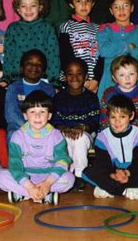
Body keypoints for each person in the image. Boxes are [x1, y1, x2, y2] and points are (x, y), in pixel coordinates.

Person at [0, 90, 74, 204]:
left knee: (69, 179)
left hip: (48, 176)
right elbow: (14, 163)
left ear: (49, 115)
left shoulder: (56, 135)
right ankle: (42, 195)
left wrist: (48, 183)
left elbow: (62, 160)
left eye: (42, 111)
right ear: (25, 115)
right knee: (0, 176)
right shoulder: (17, 136)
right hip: (25, 176)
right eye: (32, 112)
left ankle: (23, 194)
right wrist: (29, 186)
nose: (37, 116)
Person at [82, 94, 138, 200]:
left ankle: (110, 189)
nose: (117, 121)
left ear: (131, 116)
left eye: (122, 117)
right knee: (86, 172)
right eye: (113, 117)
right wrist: (113, 174)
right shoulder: (103, 136)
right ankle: (128, 190)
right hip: (112, 172)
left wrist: (127, 172)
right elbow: (102, 162)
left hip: (132, 171)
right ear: (108, 117)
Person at [52, 58, 100, 192]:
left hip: (85, 133)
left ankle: (79, 175)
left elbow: (95, 120)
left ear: (85, 76)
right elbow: (54, 119)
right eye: (70, 73)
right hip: (65, 131)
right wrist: (63, 128)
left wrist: (83, 127)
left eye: (79, 73)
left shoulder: (91, 97)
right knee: (63, 139)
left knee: (79, 138)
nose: (74, 77)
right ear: (65, 76)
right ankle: (66, 172)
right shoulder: (59, 97)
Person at [97, 0, 138, 99]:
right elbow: (104, 50)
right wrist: (129, 46)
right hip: (109, 78)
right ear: (111, 11)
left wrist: (115, 47)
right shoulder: (105, 29)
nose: (121, 10)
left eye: (126, 6)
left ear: (132, 8)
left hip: (132, 80)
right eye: (116, 7)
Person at [2, 0, 60, 85]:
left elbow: (53, 55)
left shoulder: (48, 27)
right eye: (24, 6)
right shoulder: (13, 28)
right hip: (17, 79)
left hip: (42, 79)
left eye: (33, 6)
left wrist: (53, 80)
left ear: (40, 7)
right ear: (18, 10)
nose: (28, 10)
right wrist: (7, 78)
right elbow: (8, 55)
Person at [59, 0, 103, 93]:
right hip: (73, 80)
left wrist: (96, 79)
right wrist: (81, 79)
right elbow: (65, 55)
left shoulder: (99, 29)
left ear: (92, 3)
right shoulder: (66, 26)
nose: (83, 5)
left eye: (87, 1)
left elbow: (102, 56)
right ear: (71, 4)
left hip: (94, 82)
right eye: (78, 1)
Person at [5, 50, 55, 140]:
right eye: (29, 63)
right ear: (21, 68)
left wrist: (38, 126)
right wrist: (29, 128)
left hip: (42, 125)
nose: (34, 67)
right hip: (19, 126)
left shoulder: (49, 89)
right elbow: (11, 114)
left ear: (43, 70)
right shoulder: (13, 88)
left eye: (39, 64)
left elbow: (51, 112)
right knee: (12, 134)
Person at [100, 55, 138, 133]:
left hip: (134, 134)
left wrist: (128, 132)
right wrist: (113, 131)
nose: (127, 78)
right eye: (122, 75)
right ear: (114, 78)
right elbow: (103, 118)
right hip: (111, 133)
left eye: (131, 74)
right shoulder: (109, 94)